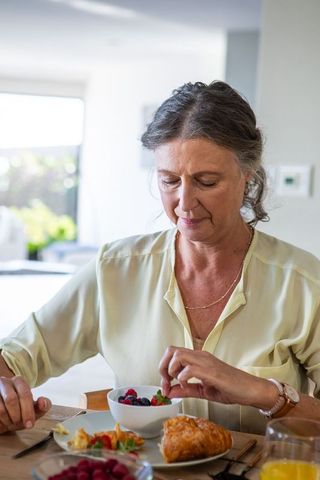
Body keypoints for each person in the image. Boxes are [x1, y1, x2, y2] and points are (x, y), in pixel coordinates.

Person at [1, 81, 320, 436]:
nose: (184, 202)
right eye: (169, 180)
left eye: (207, 181)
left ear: (247, 174)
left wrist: (262, 392)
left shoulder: (304, 282)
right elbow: (12, 357)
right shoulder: (114, 269)